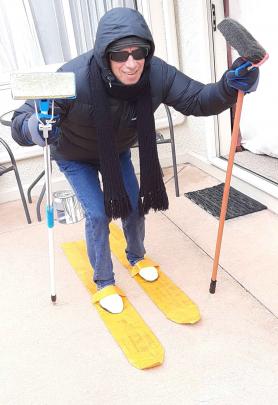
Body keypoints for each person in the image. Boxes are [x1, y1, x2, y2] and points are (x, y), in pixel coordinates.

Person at [11, 7, 259, 314]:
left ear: (147, 51)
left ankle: (136, 256)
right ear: (105, 55)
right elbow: (22, 118)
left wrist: (227, 87)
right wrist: (37, 126)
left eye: (138, 52)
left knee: (134, 204)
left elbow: (197, 99)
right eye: (120, 55)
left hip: (115, 151)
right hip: (75, 155)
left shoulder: (157, 73)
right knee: (99, 215)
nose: (131, 63)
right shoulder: (73, 76)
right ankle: (104, 282)